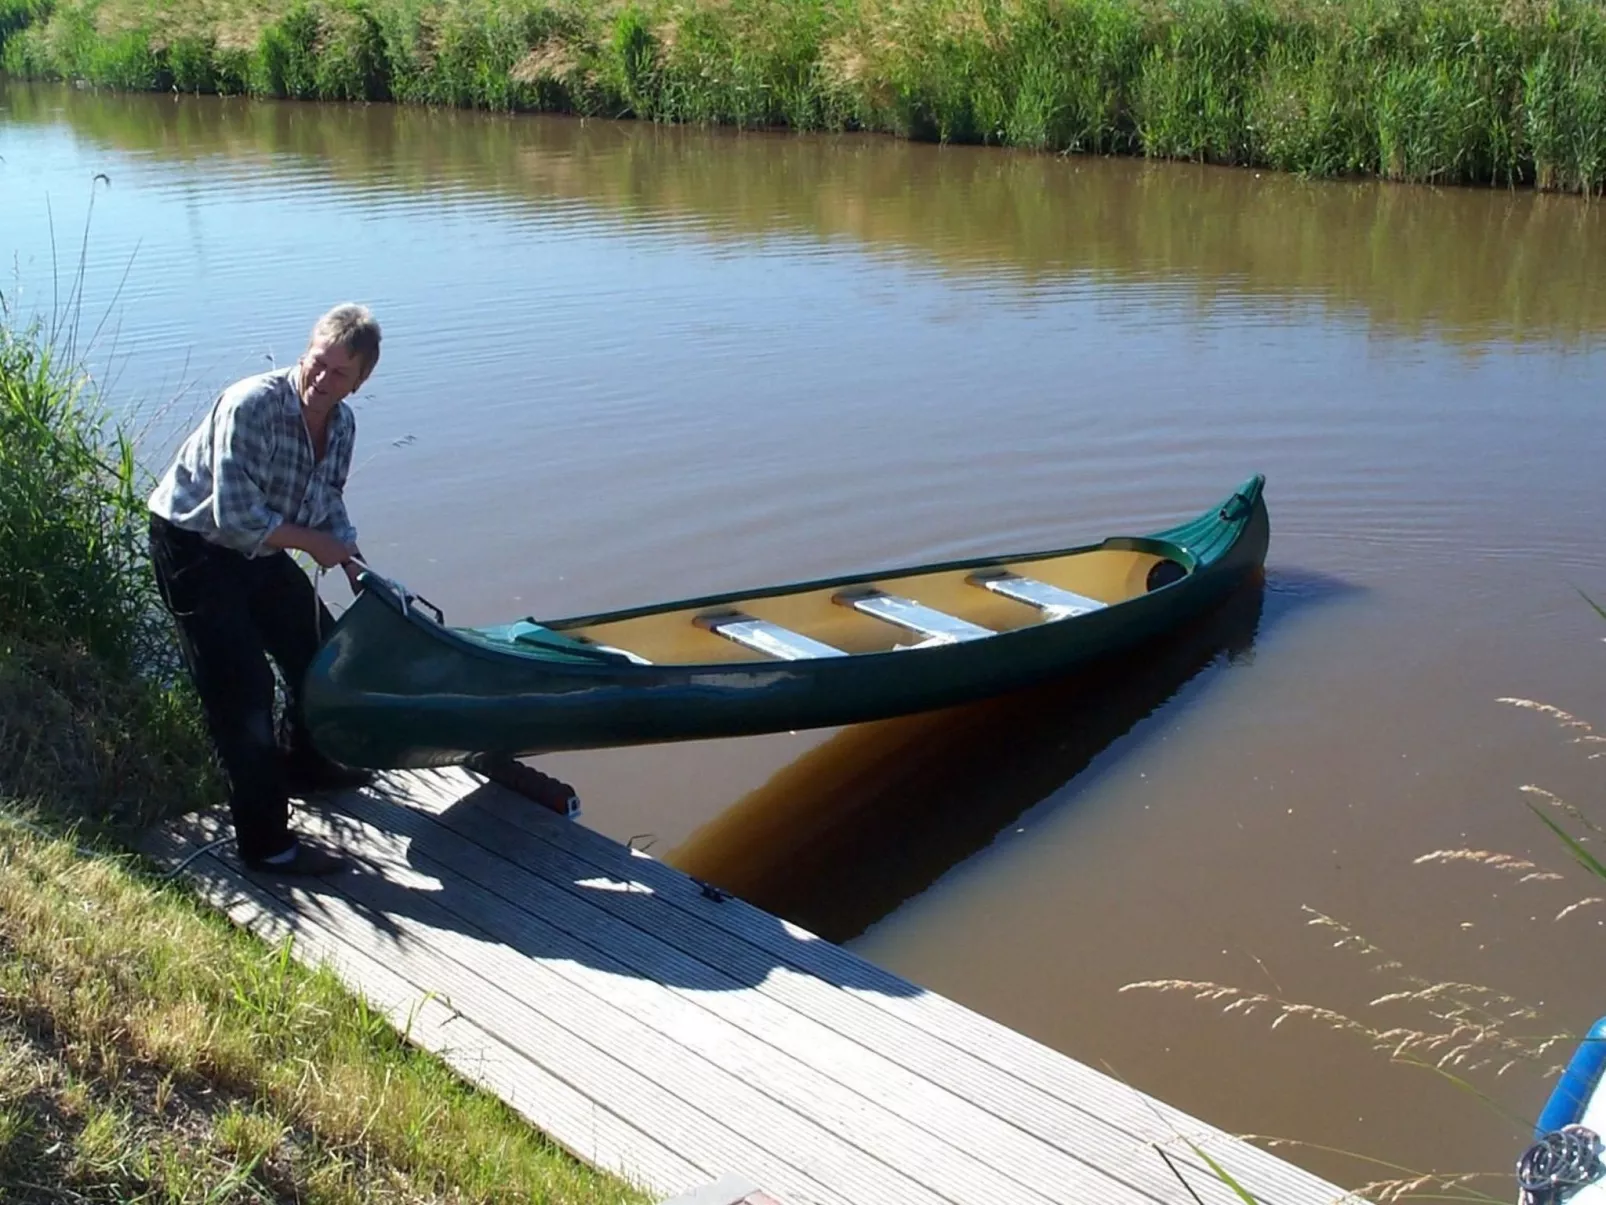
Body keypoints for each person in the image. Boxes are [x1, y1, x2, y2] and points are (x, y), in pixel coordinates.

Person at [148, 303, 382, 876]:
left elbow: (325, 499)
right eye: (318, 362)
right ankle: (266, 845)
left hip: (263, 546)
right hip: (196, 545)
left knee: (324, 655)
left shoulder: (343, 426)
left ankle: (306, 765)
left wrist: (352, 562)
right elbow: (234, 518)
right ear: (306, 351)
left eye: (339, 373)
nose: (322, 378)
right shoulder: (251, 404)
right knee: (243, 691)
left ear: (359, 382)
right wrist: (313, 544)